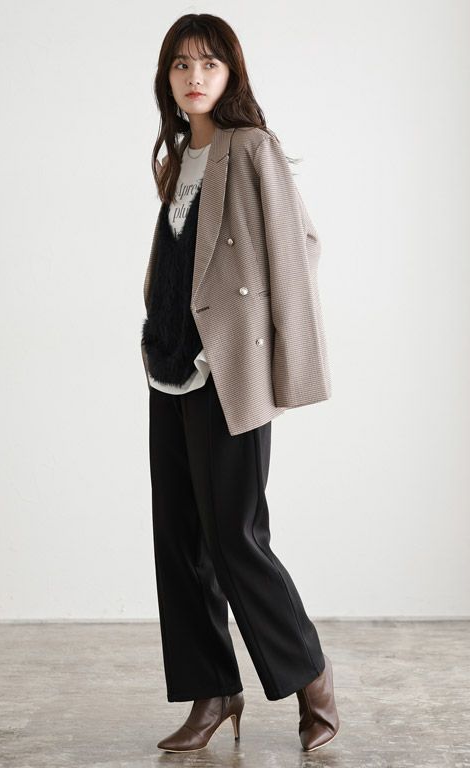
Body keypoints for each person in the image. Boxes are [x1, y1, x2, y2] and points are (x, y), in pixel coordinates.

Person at [140, 13, 339, 754]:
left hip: (230, 372)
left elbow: (298, 246)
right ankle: (213, 691)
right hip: (169, 368)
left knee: (235, 537)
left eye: (209, 64)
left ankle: (310, 676)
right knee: (179, 539)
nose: (194, 77)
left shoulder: (252, 147)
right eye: (181, 64)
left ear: (231, 74)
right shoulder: (177, 158)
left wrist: (283, 361)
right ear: (166, 78)